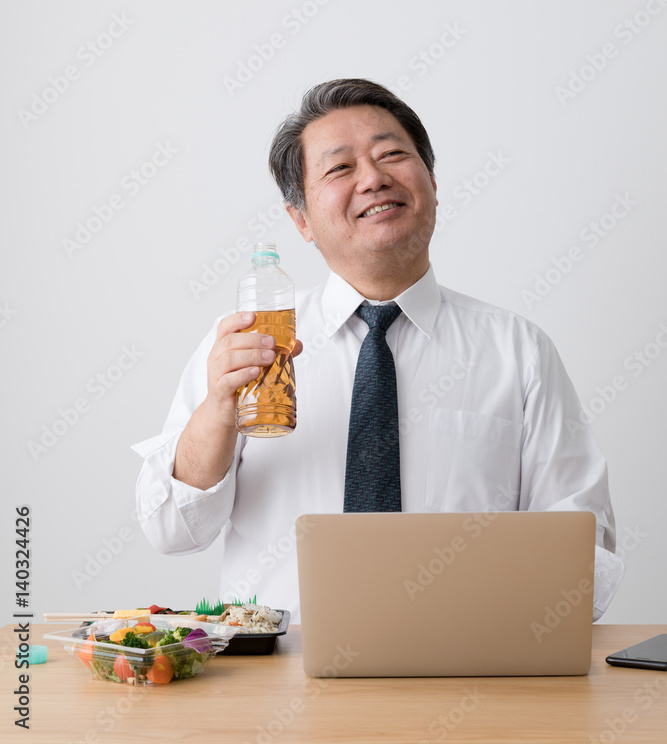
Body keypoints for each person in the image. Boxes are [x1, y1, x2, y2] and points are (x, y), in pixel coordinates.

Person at [133, 79, 624, 620]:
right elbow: (172, 530)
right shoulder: (246, 346)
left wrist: (483, 608)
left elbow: (585, 552)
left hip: (464, 660)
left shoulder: (519, 352)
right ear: (301, 220)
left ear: (432, 183)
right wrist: (217, 414)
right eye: (340, 168)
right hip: (280, 665)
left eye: (391, 155)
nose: (373, 178)